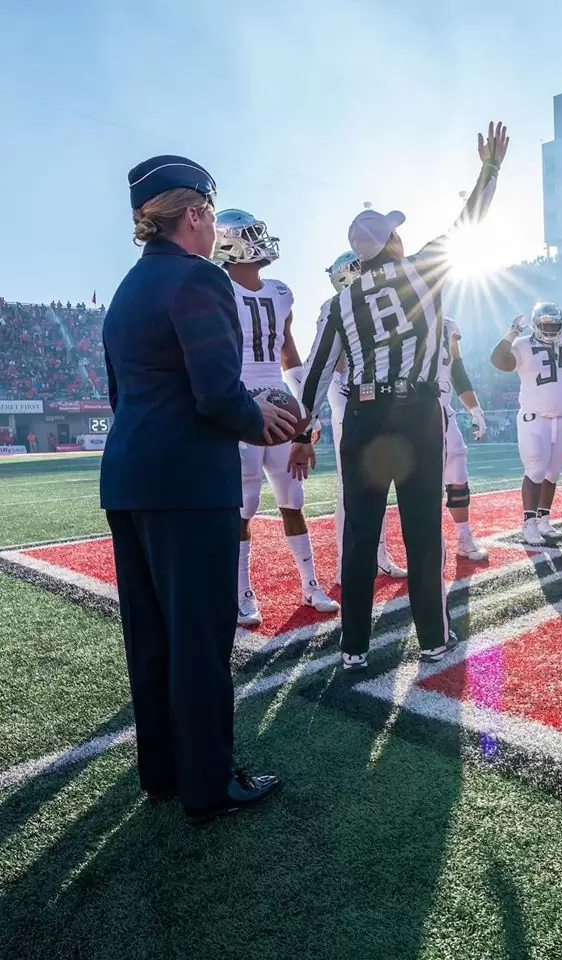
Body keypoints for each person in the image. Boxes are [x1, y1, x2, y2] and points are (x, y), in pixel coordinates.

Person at [101, 155, 290, 825]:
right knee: (201, 640)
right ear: (196, 214)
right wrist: (260, 419)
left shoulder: (128, 287)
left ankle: (163, 773)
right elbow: (216, 391)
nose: (214, 229)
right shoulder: (200, 279)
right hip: (188, 482)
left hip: (129, 478)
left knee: (151, 637)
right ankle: (209, 784)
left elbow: (122, 394)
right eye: (210, 215)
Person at [301, 121, 509, 673]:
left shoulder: (343, 302)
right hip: (416, 411)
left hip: (365, 415)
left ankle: (353, 647)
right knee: (422, 530)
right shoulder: (423, 272)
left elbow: (317, 373)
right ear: (392, 243)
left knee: (361, 533)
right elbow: (468, 223)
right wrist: (489, 168)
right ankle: (434, 639)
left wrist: (303, 430)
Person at [212, 208, 339, 626]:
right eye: (251, 234)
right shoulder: (216, 289)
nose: (261, 239)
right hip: (241, 403)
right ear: (229, 244)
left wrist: (305, 413)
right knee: (244, 506)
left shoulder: (282, 291)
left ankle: (310, 583)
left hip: (280, 401)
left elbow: (289, 353)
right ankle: (240, 593)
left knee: (293, 499)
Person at [325, 251, 407, 583]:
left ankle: (380, 553)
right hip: (347, 402)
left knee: (378, 484)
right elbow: (336, 363)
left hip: (372, 404)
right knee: (350, 490)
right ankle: (348, 559)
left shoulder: (371, 307)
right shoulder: (338, 309)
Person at [490, 302, 562, 545]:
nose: (551, 329)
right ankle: (529, 523)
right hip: (534, 418)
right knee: (535, 469)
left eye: (555, 325)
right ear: (536, 324)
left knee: (552, 473)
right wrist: (511, 333)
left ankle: (544, 520)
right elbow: (499, 361)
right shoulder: (522, 344)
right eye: (546, 325)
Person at [437, 315, 489, 561]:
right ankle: (426, 542)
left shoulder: (447, 324)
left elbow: (457, 368)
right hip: (412, 411)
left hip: (444, 409)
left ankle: (463, 537)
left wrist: (475, 410)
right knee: (421, 479)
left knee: (457, 472)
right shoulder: (400, 316)